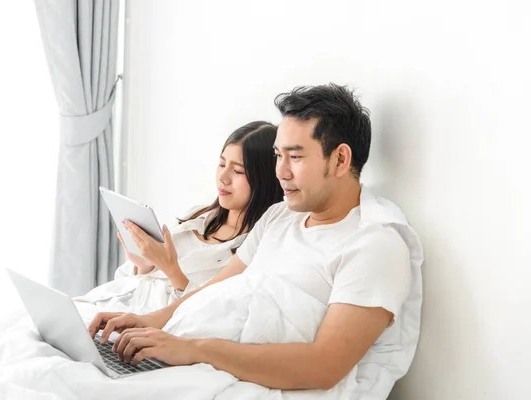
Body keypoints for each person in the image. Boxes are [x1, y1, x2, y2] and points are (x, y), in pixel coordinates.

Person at [88, 84, 423, 398]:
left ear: (340, 159)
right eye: (279, 156)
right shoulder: (280, 216)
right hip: (207, 352)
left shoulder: (375, 244)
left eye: (295, 157)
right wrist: (152, 321)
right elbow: (217, 288)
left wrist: (193, 350)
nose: (281, 172)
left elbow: (325, 366)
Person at [75, 121, 284, 314]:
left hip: (152, 322)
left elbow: (212, 314)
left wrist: (170, 269)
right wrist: (144, 264)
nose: (223, 177)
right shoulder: (198, 216)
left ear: (264, 179)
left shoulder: (253, 249)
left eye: (238, 171)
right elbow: (131, 283)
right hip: (113, 302)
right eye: (222, 164)